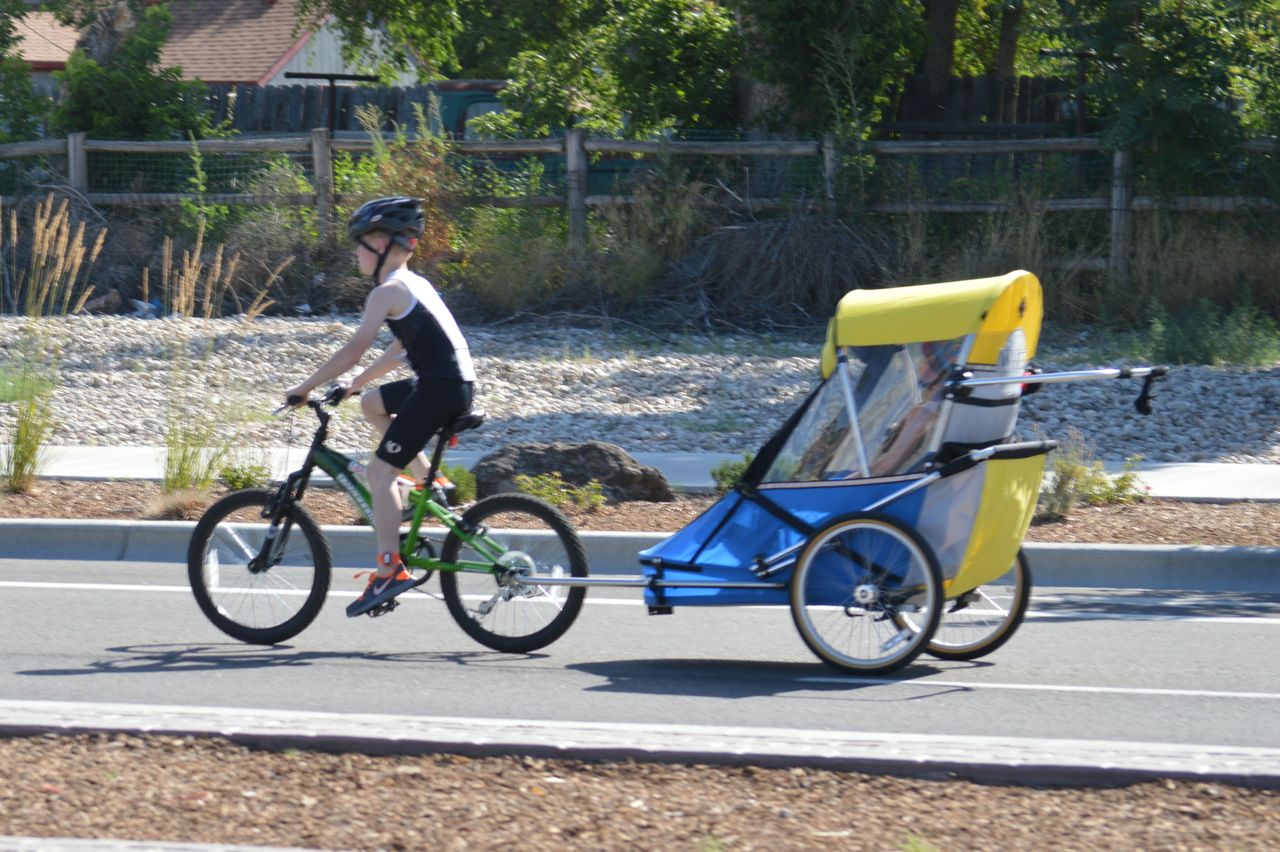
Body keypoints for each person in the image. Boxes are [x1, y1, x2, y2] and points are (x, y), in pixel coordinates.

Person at [285, 196, 476, 617]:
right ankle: (431, 483)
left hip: (439, 388)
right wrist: (355, 386)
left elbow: (354, 348)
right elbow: (401, 347)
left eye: (359, 243)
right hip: (451, 383)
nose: (355, 252)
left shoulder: (386, 292)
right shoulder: (414, 284)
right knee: (372, 404)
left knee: (379, 471)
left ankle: (390, 570)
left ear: (380, 243)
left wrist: (304, 387)